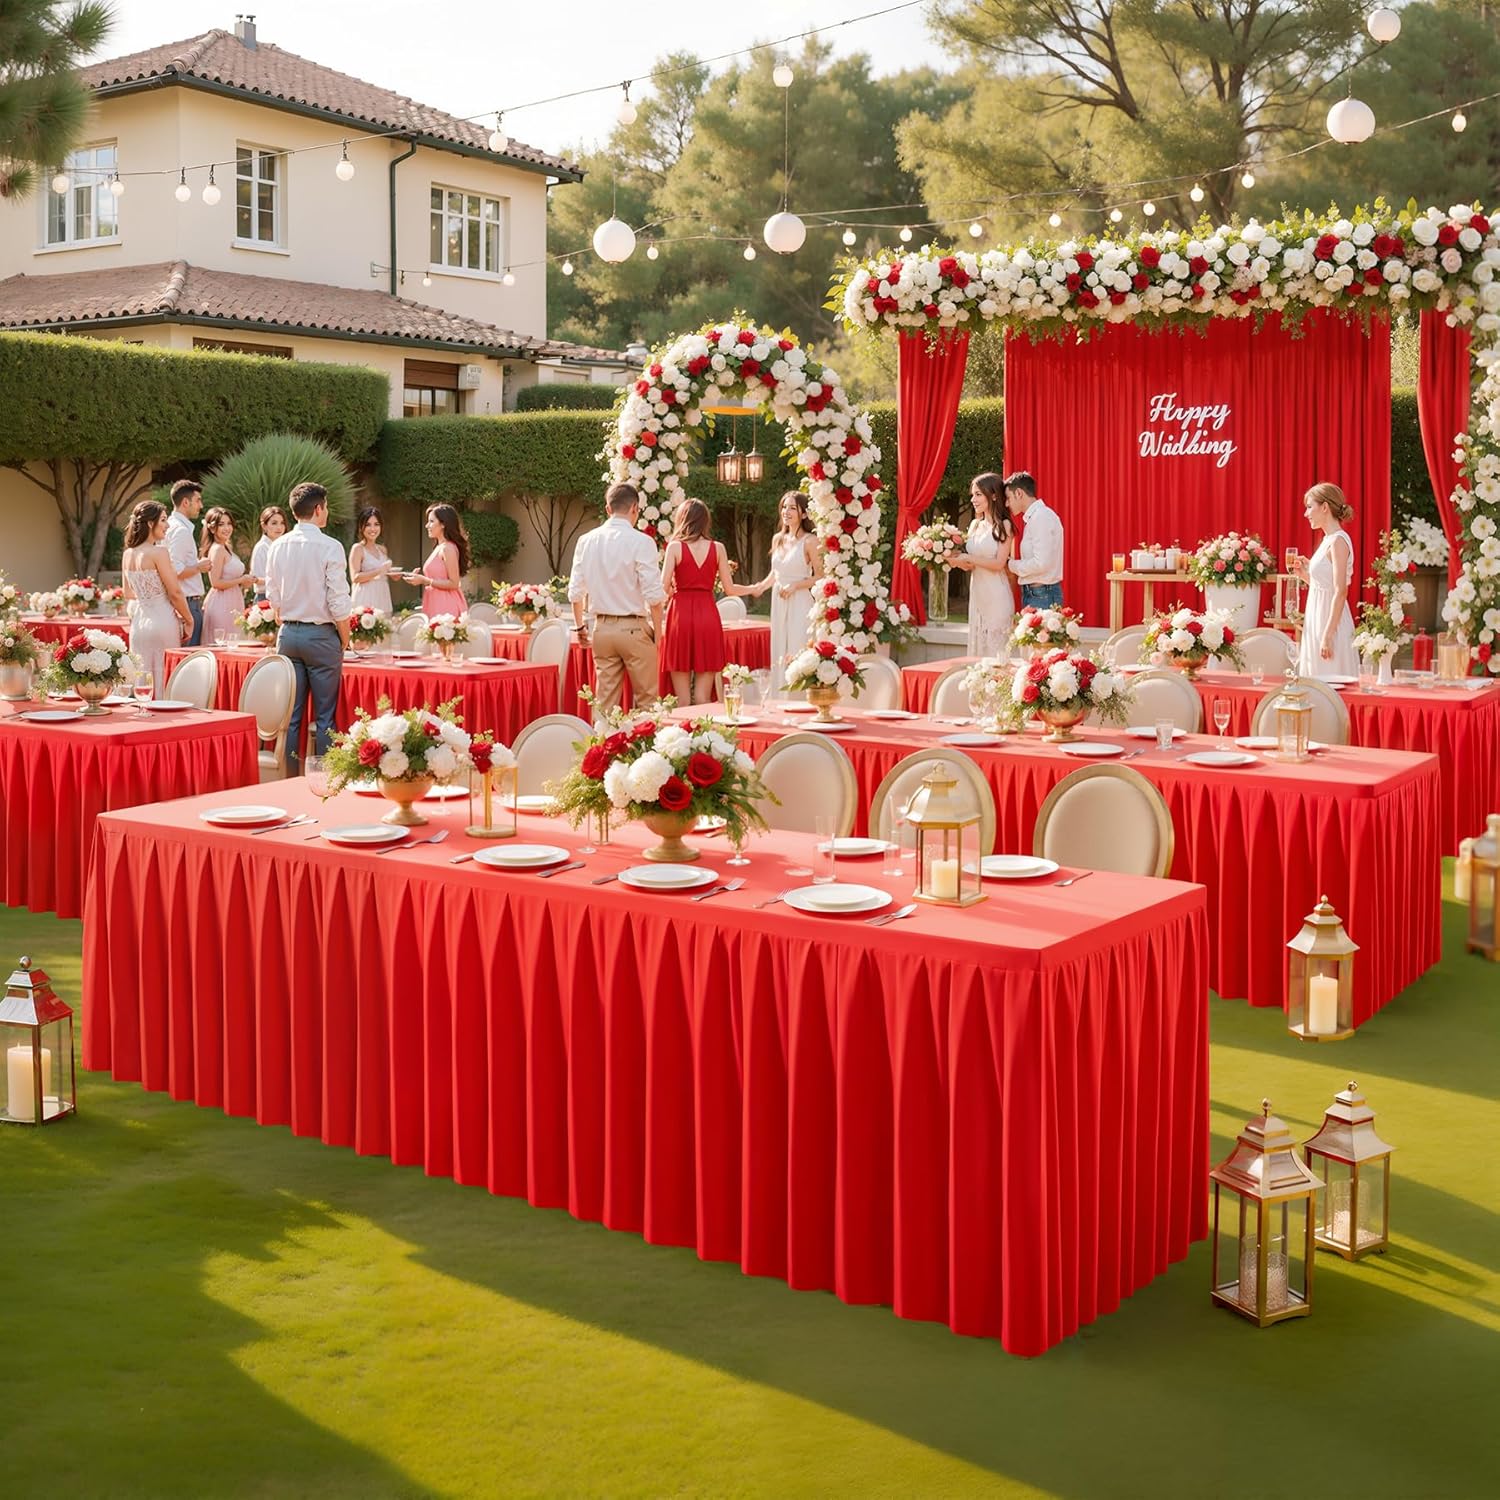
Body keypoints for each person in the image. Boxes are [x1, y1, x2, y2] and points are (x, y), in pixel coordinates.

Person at [266, 482, 352, 773]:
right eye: (326, 507)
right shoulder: (330, 546)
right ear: (318, 509)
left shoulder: (277, 546)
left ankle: (291, 777)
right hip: (321, 635)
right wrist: (344, 638)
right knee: (325, 716)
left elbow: (273, 596)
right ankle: (326, 780)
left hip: (288, 634)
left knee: (292, 716)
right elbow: (338, 599)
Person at [568, 482, 666, 717]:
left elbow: (575, 592)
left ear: (608, 508)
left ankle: (602, 740)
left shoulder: (586, 540)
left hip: (602, 629)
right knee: (647, 702)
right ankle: (645, 741)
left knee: (604, 705)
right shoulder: (642, 542)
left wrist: (580, 627)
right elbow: (654, 597)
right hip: (634, 628)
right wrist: (658, 635)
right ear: (634, 508)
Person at [659, 499, 761, 706]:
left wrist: (673, 588)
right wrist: (752, 588)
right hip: (707, 615)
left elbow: (662, 588)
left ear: (682, 519)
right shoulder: (718, 548)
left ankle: (684, 726)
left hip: (680, 616)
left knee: (682, 699)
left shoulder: (675, 547)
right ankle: (705, 727)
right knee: (703, 697)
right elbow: (730, 589)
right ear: (705, 521)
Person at [120, 499, 194, 691]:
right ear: (150, 523)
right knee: (163, 678)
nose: (167, 525)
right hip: (163, 622)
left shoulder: (128, 554)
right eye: (163, 520)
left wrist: (147, 595)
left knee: (141, 678)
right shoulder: (159, 552)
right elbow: (175, 593)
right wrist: (189, 620)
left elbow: (128, 593)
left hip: (139, 625)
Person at [749, 492, 815, 699]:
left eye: (792, 508)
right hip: (778, 602)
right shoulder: (777, 539)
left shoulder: (810, 541)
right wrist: (760, 587)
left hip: (800, 602)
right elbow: (775, 574)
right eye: (784, 507)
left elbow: (821, 576)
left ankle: (799, 699)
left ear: (804, 513)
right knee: (779, 649)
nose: (786, 511)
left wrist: (795, 586)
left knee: (798, 647)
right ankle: (778, 700)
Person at [1291, 482, 1360, 678]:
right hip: (1317, 618)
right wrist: (1304, 575)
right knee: (1315, 680)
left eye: (1309, 507)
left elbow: (1340, 591)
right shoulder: (1327, 540)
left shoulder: (1338, 541)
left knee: (1331, 681)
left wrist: (1328, 635)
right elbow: (1325, 586)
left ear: (1324, 507)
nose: (1306, 513)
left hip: (1330, 623)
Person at [950, 472, 1016, 657]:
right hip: (978, 597)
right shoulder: (974, 525)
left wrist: (968, 558)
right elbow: (970, 565)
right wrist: (953, 560)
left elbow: (999, 563)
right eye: (973, 495)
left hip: (997, 597)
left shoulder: (1005, 525)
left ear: (993, 495)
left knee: (997, 656)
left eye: (978, 494)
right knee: (978, 655)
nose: (973, 499)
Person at [1004, 471, 1064, 609]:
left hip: (1043, 595)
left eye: (1008, 498)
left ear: (1019, 493)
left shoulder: (1041, 517)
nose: (1007, 504)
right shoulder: (1036, 517)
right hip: (1037, 593)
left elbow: (1041, 563)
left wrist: (1010, 564)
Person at [164, 479, 212, 645]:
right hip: (187, 604)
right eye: (198, 500)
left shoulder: (170, 526)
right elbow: (176, 571)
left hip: (182, 602)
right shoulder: (180, 531)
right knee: (189, 656)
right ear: (186, 502)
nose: (201, 505)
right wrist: (199, 567)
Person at [404, 504, 468, 616]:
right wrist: (417, 578)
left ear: (443, 524)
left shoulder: (448, 548)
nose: (427, 526)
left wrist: (425, 580)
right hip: (435, 602)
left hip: (446, 606)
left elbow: (454, 583)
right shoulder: (439, 547)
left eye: (431, 521)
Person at [199, 506, 249, 643]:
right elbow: (215, 582)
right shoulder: (217, 549)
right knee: (223, 642)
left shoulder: (226, 547)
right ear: (212, 528)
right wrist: (241, 579)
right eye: (221, 524)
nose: (227, 528)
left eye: (229, 523)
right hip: (222, 603)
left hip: (233, 600)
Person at [349, 506, 395, 614]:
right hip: (365, 598)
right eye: (368, 525)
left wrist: (394, 575)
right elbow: (355, 578)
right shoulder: (358, 548)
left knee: (385, 623)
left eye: (376, 524)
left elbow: (385, 573)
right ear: (361, 527)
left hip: (382, 596)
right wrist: (379, 570)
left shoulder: (382, 549)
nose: (373, 529)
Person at [250, 506, 287, 599]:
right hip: (265, 597)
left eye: (282, 523)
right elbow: (257, 579)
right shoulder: (261, 548)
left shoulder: (282, 546)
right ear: (264, 526)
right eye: (274, 523)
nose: (279, 527)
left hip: (282, 596)